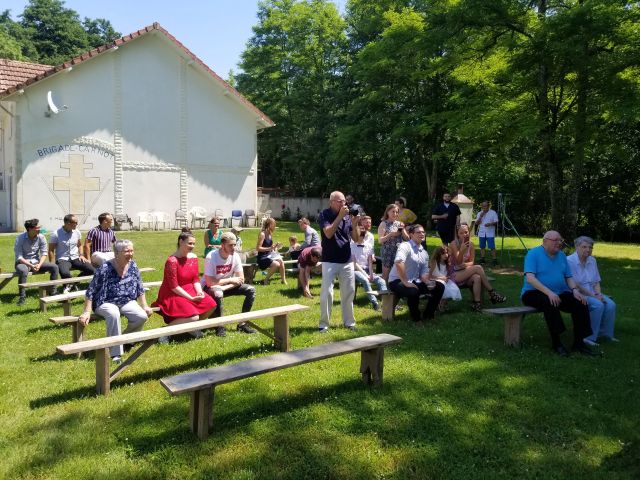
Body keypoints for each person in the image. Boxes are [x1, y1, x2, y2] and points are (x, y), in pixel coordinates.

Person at [521, 231, 598, 357]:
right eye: (555, 240)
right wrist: (549, 293)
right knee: (549, 302)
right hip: (533, 293)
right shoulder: (533, 254)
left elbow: (568, 277)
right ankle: (557, 344)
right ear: (545, 241)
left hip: (558, 292)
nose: (559, 243)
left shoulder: (562, 256)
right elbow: (530, 278)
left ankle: (579, 344)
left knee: (581, 302)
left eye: (560, 240)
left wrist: (575, 290)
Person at [79, 240, 154, 363]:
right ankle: (115, 354)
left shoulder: (133, 266)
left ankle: (126, 340)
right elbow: (91, 290)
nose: (130, 253)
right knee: (113, 313)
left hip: (126, 301)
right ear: (116, 253)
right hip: (105, 302)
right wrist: (87, 311)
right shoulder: (105, 268)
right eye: (126, 251)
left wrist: (144, 305)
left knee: (141, 316)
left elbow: (139, 287)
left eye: (131, 250)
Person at [153, 229, 217, 342]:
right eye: (189, 243)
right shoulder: (171, 261)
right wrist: (191, 298)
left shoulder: (193, 257)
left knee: (212, 304)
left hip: (189, 289)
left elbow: (195, 279)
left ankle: (191, 328)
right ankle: (165, 332)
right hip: (172, 293)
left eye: (193, 243)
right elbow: (173, 286)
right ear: (181, 242)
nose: (192, 246)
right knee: (193, 317)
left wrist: (199, 291)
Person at [317, 191, 361, 332]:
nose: (343, 204)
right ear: (331, 202)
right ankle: (324, 324)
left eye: (344, 201)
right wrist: (340, 217)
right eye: (339, 201)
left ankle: (349, 322)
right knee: (327, 293)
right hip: (329, 260)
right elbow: (328, 233)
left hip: (346, 260)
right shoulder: (324, 214)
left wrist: (354, 224)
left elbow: (356, 238)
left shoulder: (348, 216)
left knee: (349, 292)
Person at [203, 231, 257, 337]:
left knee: (251, 289)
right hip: (209, 288)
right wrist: (230, 280)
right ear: (222, 245)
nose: (234, 248)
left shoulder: (235, 256)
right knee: (218, 292)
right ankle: (219, 326)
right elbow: (209, 282)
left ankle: (243, 323)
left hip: (224, 286)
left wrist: (226, 287)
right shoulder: (211, 257)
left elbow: (241, 279)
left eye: (234, 245)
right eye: (230, 245)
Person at [388, 224, 444, 325]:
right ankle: (416, 319)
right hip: (397, 280)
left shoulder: (424, 252)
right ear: (411, 234)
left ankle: (428, 315)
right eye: (418, 232)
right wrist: (405, 281)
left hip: (413, 280)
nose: (422, 234)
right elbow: (399, 262)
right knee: (413, 291)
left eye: (423, 232)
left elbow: (423, 273)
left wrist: (427, 282)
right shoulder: (405, 246)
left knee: (439, 287)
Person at [567, 236, 617, 347]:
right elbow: (575, 284)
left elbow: (596, 281)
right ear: (576, 247)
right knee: (598, 305)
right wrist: (594, 297)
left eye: (590, 247)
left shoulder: (592, 260)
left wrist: (598, 294)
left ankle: (605, 334)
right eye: (584, 247)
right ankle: (588, 337)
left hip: (592, 292)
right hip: (577, 293)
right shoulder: (569, 261)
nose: (588, 250)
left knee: (611, 305)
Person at [448, 223, 506, 311]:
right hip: (453, 274)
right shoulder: (453, 244)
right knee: (478, 267)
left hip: (465, 271)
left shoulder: (471, 245)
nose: (464, 235)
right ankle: (492, 293)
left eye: (466, 232)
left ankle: (477, 304)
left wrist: (465, 265)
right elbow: (458, 261)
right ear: (457, 234)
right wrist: (462, 251)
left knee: (477, 277)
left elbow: (471, 262)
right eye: (461, 233)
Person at [14, 218, 59, 305]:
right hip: (23, 262)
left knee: (55, 267)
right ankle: (22, 297)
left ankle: (53, 291)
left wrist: (39, 264)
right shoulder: (20, 238)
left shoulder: (41, 237)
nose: (40, 229)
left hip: (37, 262)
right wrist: (31, 266)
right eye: (37, 228)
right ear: (30, 229)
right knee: (23, 271)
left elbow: (44, 253)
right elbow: (19, 257)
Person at [48, 214, 95, 285]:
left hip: (75, 257)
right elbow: (51, 250)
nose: (77, 224)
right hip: (62, 259)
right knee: (65, 273)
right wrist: (52, 264)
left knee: (91, 270)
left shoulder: (77, 232)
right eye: (75, 223)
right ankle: (68, 286)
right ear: (68, 223)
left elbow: (79, 245)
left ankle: (74, 283)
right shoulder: (55, 234)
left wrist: (81, 255)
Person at [351, 234, 387, 310]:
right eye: (360, 233)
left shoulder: (368, 246)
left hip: (367, 270)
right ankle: (375, 303)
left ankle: (386, 303)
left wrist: (371, 274)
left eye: (363, 234)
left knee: (382, 281)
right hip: (356, 270)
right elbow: (355, 264)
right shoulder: (351, 246)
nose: (362, 235)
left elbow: (370, 263)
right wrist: (366, 276)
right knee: (365, 280)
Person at [378, 204, 408, 280]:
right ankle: (384, 290)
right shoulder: (383, 223)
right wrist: (391, 234)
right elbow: (380, 240)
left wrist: (403, 229)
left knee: (398, 275)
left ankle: (394, 290)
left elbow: (407, 238)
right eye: (393, 211)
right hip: (387, 252)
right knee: (386, 276)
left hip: (399, 252)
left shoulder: (399, 224)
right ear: (387, 212)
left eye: (396, 212)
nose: (395, 214)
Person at [428, 245, 462, 311]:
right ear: (438, 254)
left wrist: (446, 277)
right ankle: (440, 304)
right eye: (443, 253)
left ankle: (442, 304)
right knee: (445, 288)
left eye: (446, 253)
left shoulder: (446, 262)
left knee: (453, 288)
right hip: (435, 280)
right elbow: (429, 276)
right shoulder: (434, 262)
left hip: (444, 280)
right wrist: (440, 278)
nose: (446, 255)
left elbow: (445, 273)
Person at [256, 217, 286, 285]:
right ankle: (265, 280)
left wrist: (276, 246)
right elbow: (258, 248)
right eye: (274, 224)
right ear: (269, 225)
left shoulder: (270, 234)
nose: (275, 226)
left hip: (269, 255)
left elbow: (270, 246)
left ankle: (283, 280)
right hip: (262, 257)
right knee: (276, 264)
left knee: (281, 261)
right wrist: (269, 248)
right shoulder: (262, 234)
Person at [474, 201, 499, 265]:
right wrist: (480, 217)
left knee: (492, 247)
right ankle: (482, 259)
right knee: (482, 246)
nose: (484, 207)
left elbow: (496, 221)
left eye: (485, 206)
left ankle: (494, 260)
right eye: (483, 206)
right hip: (482, 232)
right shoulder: (480, 213)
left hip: (490, 232)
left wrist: (490, 224)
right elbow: (476, 223)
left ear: (488, 206)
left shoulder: (493, 212)